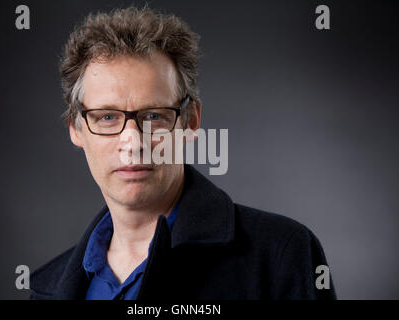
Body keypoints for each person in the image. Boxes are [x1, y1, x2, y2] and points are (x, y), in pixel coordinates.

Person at [30, 6, 336, 300]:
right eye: (107, 117)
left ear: (190, 121)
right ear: (75, 128)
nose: (133, 142)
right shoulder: (50, 286)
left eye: (153, 116)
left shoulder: (280, 255)